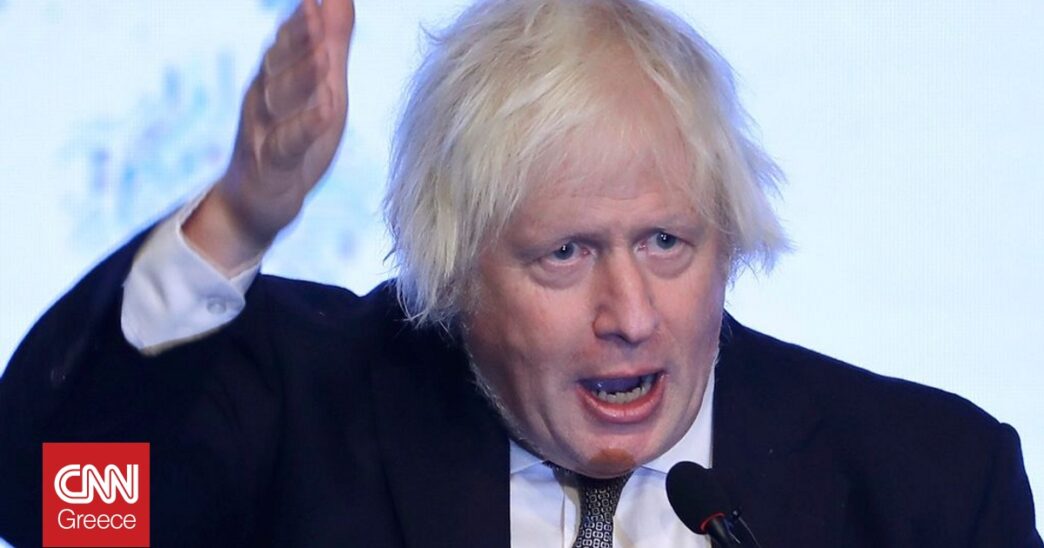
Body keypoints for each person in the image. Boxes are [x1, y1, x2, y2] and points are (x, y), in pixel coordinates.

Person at [0, 0, 1039, 546]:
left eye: (666, 243)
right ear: (453, 270)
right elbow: (54, 508)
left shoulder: (932, 487)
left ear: (729, 238)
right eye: (566, 253)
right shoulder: (302, 417)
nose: (629, 315)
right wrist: (237, 217)